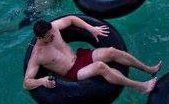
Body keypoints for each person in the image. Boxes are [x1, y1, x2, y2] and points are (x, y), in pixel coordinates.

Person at [22, 16, 160, 93]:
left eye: (52, 32)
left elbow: (70, 19)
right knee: (100, 66)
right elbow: (26, 82)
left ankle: (149, 69)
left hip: (80, 56)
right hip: (73, 72)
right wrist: (42, 81)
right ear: (40, 37)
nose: (53, 35)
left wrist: (91, 29)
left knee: (111, 51)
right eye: (48, 36)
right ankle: (140, 86)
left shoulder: (52, 28)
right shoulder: (37, 55)